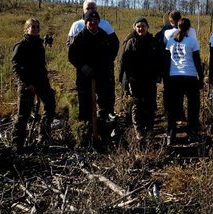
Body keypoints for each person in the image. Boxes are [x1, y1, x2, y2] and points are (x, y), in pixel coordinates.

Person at [68, 11, 120, 142]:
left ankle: (103, 132)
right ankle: (87, 134)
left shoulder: (104, 35)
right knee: (85, 106)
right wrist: (83, 66)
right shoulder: (80, 37)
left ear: (98, 21)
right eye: (90, 20)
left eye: (95, 20)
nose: (93, 23)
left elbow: (112, 50)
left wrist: (107, 64)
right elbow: (72, 55)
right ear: (86, 23)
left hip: (102, 76)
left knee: (104, 105)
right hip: (84, 77)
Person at [11, 18, 56, 151]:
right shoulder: (21, 46)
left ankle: (43, 136)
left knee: (50, 105)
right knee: (23, 114)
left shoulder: (39, 44)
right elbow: (16, 67)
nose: (35, 29)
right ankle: (17, 145)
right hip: (27, 84)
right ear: (26, 29)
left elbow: (41, 64)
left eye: (37, 27)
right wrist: (25, 83)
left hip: (42, 81)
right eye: (33, 27)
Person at [119, 17, 165, 140]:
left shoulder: (153, 41)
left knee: (150, 105)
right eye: (138, 26)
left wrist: (158, 76)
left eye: (143, 26)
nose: (141, 28)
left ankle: (149, 129)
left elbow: (159, 60)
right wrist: (126, 79)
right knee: (136, 105)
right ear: (134, 28)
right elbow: (123, 62)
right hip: (135, 80)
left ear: (147, 27)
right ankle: (138, 130)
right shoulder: (130, 41)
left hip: (150, 79)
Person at [164, 18, 203, 145]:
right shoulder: (192, 41)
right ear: (189, 28)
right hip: (190, 76)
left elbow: (166, 61)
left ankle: (171, 134)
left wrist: (166, 77)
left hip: (174, 77)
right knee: (193, 107)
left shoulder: (170, 42)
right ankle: (192, 133)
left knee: (172, 107)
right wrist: (201, 78)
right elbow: (197, 61)